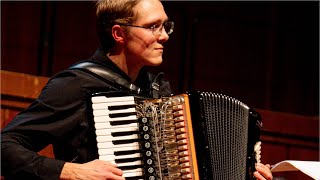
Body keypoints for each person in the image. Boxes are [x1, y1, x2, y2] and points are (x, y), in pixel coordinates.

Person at [1, 0, 273, 180]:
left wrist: (244, 173)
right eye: (153, 26)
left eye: (166, 25)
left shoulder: (156, 88)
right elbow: (5, 148)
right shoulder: (75, 85)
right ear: (119, 34)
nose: (165, 35)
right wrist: (73, 171)